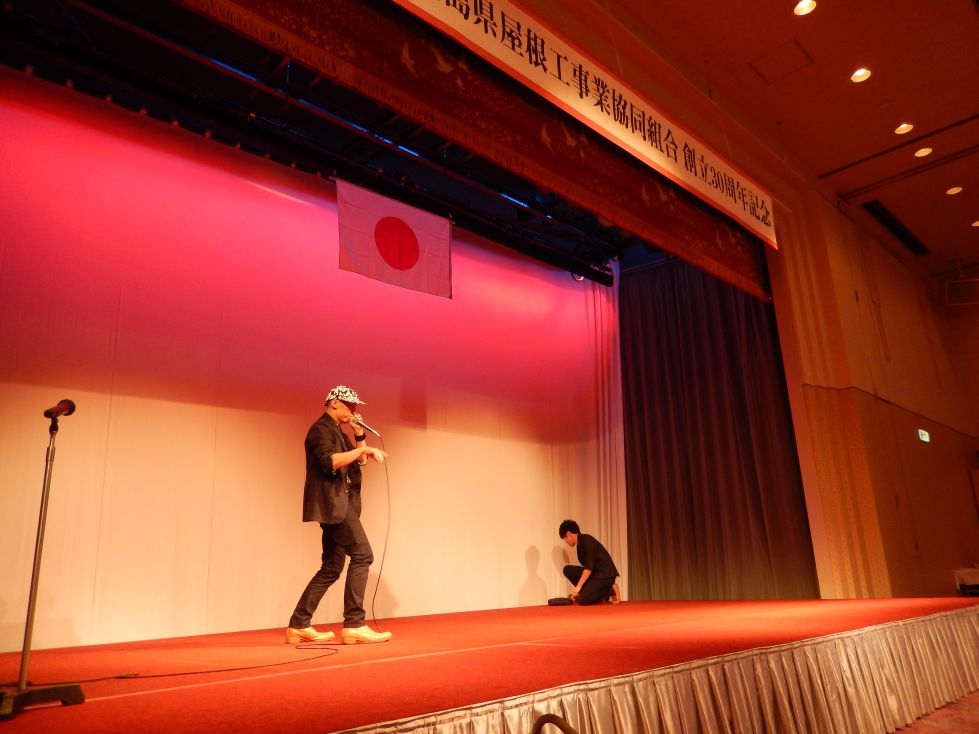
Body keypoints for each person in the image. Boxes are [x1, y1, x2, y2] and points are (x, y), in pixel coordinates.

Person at [286, 385, 391, 645]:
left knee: (331, 567)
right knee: (363, 555)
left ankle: (299, 624)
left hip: (341, 506)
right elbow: (330, 461)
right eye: (350, 405)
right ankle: (354, 623)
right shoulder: (320, 429)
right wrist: (362, 450)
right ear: (334, 403)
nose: (354, 410)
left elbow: (359, 463)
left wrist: (359, 436)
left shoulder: (338, 431)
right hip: (334, 506)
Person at [559, 519, 621, 605]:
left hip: (605, 575)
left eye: (565, 539)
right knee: (567, 570)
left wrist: (578, 588)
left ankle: (610, 588)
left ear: (568, 534)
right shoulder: (579, 545)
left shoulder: (587, 540)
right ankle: (591, 593)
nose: (566, 541)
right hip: (595, 575)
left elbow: (588, 568)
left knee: (583, 600)